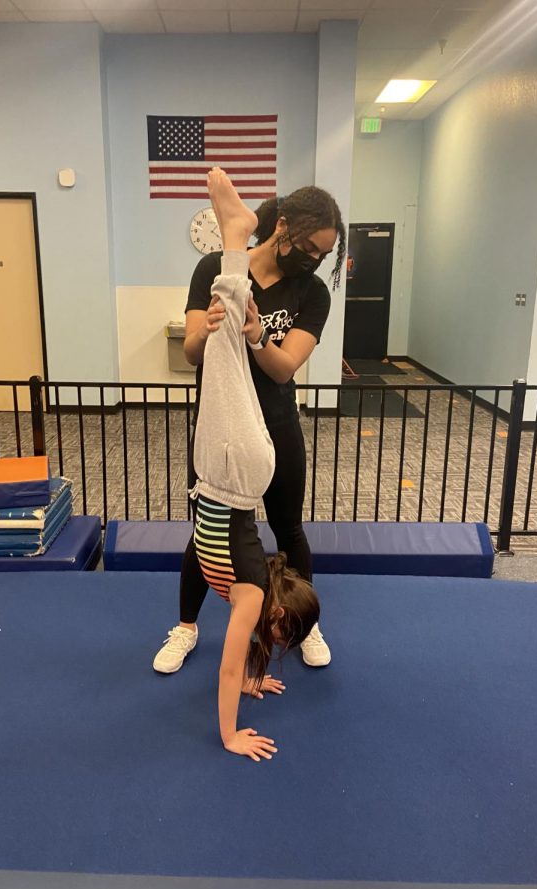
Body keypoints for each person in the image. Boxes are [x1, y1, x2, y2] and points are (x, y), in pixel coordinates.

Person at [153, 175, 346, 676]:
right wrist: (211, 328)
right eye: (307, 247)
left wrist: (259, 336)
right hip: (220, 427)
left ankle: (306, 622)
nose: (312, 259)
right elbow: (193, 352)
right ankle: (186, 627)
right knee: (207, 533)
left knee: (288, 529)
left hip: (275, 424)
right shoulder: (212, 270)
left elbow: (285, 368)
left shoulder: (313, 293)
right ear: (280, 226)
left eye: (321, 254)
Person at [166, 168, 320, 762]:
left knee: (231, 345)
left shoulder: (254, 594)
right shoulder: (251, 596)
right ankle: (236, 234)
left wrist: (257, 678)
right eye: (281, 636)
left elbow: (244, 663)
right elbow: (226, 670)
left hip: (229, 473)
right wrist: (230, 735)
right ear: (275, 613)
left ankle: (235, 236)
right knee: (227, 347)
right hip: (236, 471)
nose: (272, 641)